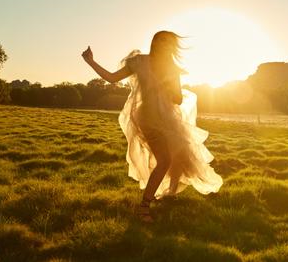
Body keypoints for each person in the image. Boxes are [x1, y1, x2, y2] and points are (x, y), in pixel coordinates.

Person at [81, 31, 223, 222]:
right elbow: (112, 78)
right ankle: (144, 207)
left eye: (169, 43)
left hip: (168, 118)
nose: (164, 46)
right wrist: (90, 61)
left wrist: (168, 83)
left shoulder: (172, 68)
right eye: (160, 41)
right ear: (154, 43)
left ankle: (169, 195)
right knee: (164, 160)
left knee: (180, 155)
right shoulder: (139, 62)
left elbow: (178, 99)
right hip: (147, 117)